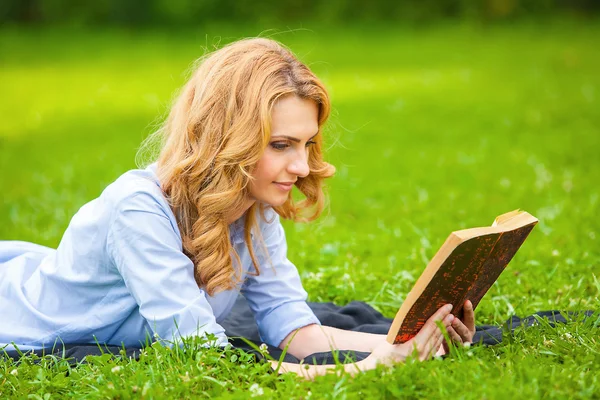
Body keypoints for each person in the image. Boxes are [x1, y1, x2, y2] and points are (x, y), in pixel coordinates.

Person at [0, 38, 475, 379]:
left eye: (307, 144)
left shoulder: (254, 203)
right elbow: (207, 361)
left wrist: (408, 345)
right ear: (227, 141)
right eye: (281, 145)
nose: (302, 165)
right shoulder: (138, 211)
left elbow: (295, 332)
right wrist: (365, 369)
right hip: (21, 319)